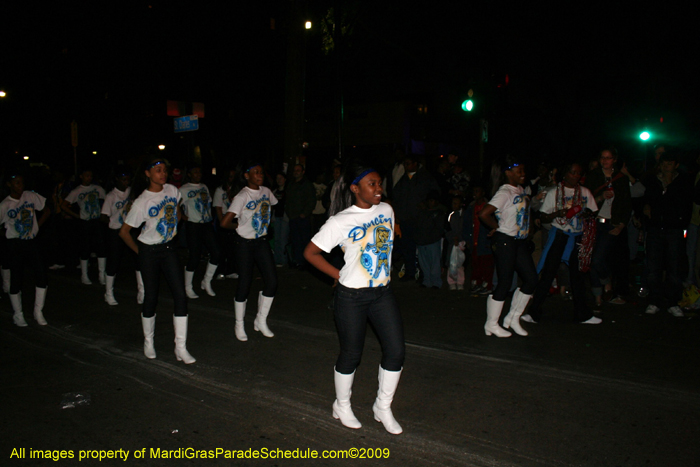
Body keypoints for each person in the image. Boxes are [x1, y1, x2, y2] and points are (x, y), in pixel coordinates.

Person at [304, 160, 405, 435]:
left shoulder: (387, 209)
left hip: (382, 292)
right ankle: (342, 404)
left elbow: (385, 242)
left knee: (396, 351)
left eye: (380, 183)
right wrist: (338, 275)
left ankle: (382, 407)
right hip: (352, 297)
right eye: (372, 184)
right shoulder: (340, 221)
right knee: (351, 353)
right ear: (355, 188)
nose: (378, 189)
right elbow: (310, 253)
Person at [119, 158, 195, 364]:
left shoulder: (172, 190)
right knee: (151, 296)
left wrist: (173, 226)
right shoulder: (142, 201)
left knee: (180, 295)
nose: (163, 174)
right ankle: (148, 341)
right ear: (147, 174)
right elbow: (124, 232)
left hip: (169, 248)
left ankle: (181, 347)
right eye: (158, 170)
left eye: (164, 170)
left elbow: (177, 211)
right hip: (148, 250)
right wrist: (140, 252)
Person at [523, 162, 601, 325]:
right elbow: (543, 217)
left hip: (577, 238)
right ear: (565, 174)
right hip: (559, 236)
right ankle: (533, 312)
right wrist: (558, 213)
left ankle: (583, 314)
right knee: (548, 273)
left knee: (577, 277)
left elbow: (592, 213)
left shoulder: (585, 192)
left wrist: (584, 213)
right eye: (572, 172)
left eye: (578, 173)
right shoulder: (554, 192)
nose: (575, 176)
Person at [478, 157, 538, 337]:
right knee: (504, 282)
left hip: (518, 241)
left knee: (531, 279)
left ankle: (512, 317)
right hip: (505, 240)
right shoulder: (504, 192)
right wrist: (497, 229)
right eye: (519, 171)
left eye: (524, 170)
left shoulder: (520, 190)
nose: (523, 174)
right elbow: (484, 214)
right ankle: (491, 324)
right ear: (508, 173)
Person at [220, 163, 278, 342]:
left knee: (272, 281)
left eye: (261, 172)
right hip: (244, 243)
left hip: (261, 241)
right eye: (255, 172)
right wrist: (241, 225)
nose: (260, 175)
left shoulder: (267, 192)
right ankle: (239, 324)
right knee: (245, 282)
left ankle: (260, 320)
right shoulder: (242, 195)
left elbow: (273, 205)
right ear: (246, 176)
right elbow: (224, 223)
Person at [642, 151, 693, 317]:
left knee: (674, 267)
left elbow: (684, 204)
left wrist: (680, 222)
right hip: (656, 228)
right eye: (664, 163)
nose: (666, 167)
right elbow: (644, 199)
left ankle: (673, 302)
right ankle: (654, 300)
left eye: (669, 164)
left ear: (676, 165)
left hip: (674, 229)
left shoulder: (683, 181)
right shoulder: (653, 180)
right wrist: (646, 211)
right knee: (653, 267)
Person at [0, 173, 50, 327]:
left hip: (31, 241)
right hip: (15, 243)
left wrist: (37, 227)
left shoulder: (30, 196)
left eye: (21, 182)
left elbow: (47, 210)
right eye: (16, 183)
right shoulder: (5, 205)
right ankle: (18, 314)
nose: (20, 185)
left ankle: (38, 311)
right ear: (9, 185)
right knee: (16, 279)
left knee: (41, 275)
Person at [584, 148, 632, 309]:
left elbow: (626, 204)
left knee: (598, 258)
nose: (605, 161)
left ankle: (607, 283)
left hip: (612, 224)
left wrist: (621, 225)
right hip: (595, 222)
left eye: (608, 158)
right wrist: (600, 197)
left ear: (614, 160)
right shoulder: (593, 176)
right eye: (603, 158)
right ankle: (598, 296)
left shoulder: (621, 178)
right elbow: (586, 201)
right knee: (591, 259)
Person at [100, 166, 143, 306]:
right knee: (114, 262)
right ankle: (109, 293)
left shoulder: (130, 192)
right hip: (116, 232)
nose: (126, 183)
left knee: (138, 257)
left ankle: (142, 291)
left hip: (129, 230)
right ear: (117, 180)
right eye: (123, 180)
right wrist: (114, 220)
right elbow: (103, 216)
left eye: (128, 180)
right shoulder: (111, 196)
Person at [180, 166, 220, 298]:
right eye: (195, 171)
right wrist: (183, 217)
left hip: (206, 224)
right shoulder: (184, 189)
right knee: (194, 256)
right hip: (193, 225)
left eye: (199, 171)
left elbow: (208, 203)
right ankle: (188, 287)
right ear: (189, 174)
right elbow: (174, 205)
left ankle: (206, 281)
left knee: (216, 253)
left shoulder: (204, 187)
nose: (198, 174)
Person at [62, 168, 107, 285]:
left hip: (96, 221)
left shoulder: (97, 188)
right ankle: (84, 275)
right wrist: (76, 216)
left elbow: (107, 200)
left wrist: (104, 214)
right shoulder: (77, 191)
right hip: (84, 222)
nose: (89, 178)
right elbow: (64, 205)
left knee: (101, 248)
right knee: (85, 248)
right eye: (86, 175)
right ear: (81, 176)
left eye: (91, 176)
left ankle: (102, 275)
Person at [285, 164, 316, 269]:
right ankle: (298, 261)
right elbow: (287, 199)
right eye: (295, 170)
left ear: (303, 172)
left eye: (298, 170)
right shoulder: (291, 184)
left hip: (302, 218)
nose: (296, 172)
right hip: (293, 217)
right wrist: (289, 213)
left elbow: (311, 200)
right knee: (295, 240)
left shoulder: (307, 185)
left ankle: (306, 262)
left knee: (304, 240)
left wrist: (305, 213)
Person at [212, 168, 239, 279]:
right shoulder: (220, 190)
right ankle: (221, 270)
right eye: (229, 176)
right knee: (222, 247)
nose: (230, 178)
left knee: (233, 247)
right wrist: (221, 221)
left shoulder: (237, 189)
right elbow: (218, 207)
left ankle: (231, 270)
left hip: (234, 218)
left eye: (233, 176)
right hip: (223, 218)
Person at [271, 172, 289, 267]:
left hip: (285, 218)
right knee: (277, 239)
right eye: (277, 178)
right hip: (277, 217)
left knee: (283, 240)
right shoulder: (274, 192)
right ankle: (277, 260)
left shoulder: (288, 191)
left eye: (281, 178)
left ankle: (284, 260)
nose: (279, 180)